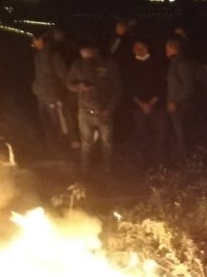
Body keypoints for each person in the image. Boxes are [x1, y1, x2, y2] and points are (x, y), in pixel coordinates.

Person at [67, 39, 122, 174]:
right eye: (82, 51)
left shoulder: (108, 64)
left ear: (95, 50)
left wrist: (109, 109)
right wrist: (79, 87)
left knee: (107, 142)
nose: (84, 53)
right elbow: (69, 83)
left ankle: (107, 169)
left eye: (87, 50)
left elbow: (118, 89)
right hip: (85, 110)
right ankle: (86, 170)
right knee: (86, 143)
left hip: (104, 110)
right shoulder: (78, 65)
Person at [125, 38, 168, 166]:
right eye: (136, 48)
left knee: (160, 134)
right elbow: (129, 88)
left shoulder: (157, 63)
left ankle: (160, 162)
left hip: (157, 106)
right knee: (142, 134)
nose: (138, 50)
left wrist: (151, 103)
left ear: (147, 48)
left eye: (141, 47)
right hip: (139, 106)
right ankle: (144, 163)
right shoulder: (130, 65)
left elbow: (162, 85)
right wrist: (141, 104)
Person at [30, 32, 69, 149]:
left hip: (52, 96)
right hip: (42, 95)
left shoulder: (53, 55)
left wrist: (61, 93)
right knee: (46, 122)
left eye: (34, 40)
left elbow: (63, 75)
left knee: (56, 123)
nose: (33, 43)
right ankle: (51, 145)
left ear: (41, 40)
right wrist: (35, 87)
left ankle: (61, 146)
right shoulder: (39, 55)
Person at [165, 35, 198, 159]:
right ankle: (182, 157)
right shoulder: (174, 63)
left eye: (168, 47)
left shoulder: (182, 63)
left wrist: (175, 101)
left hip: (181, 106)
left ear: (174, 48)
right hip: (176, 106)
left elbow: (189, 86)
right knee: (178, 133)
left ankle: (186, 158)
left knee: (182, 133)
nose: (166, 50)